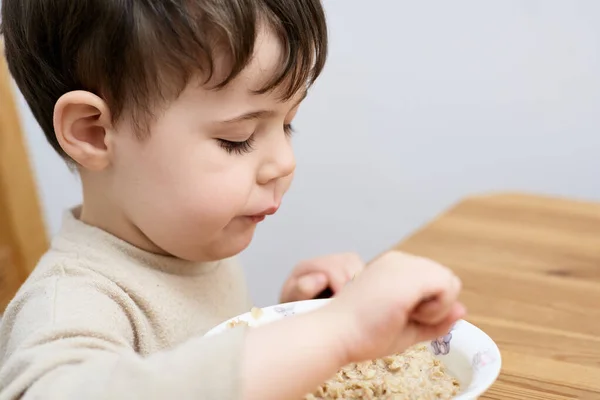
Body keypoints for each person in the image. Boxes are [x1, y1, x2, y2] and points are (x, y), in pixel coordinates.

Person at [0, 1, 465, 399]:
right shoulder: (69, 303)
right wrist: (333, 332)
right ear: (94, 132)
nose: (284, 161)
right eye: (237, 139)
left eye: (288, 125)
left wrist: (291, 317)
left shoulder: (187, 245)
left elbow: (208, 365)